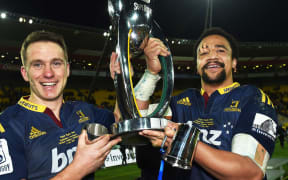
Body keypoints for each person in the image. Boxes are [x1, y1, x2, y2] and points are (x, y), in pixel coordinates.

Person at [110, 27, 278, 180]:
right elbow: (129, 123)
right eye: (203, 53)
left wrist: (182, 140)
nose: (212, 56)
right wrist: (151, 73)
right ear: (197, 66)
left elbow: (250, 173)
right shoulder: (179, 102)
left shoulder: (254, 99)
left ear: (234, 63)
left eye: (220, 50)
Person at [0, 30, 121, 180]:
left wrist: (124, 80)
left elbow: (119, 121)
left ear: (67, 69)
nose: (49, 73)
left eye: (56, 63)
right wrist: (79, 168)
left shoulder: (83, 109)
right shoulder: (7, 125)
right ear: (25, 73)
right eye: (38, 65)